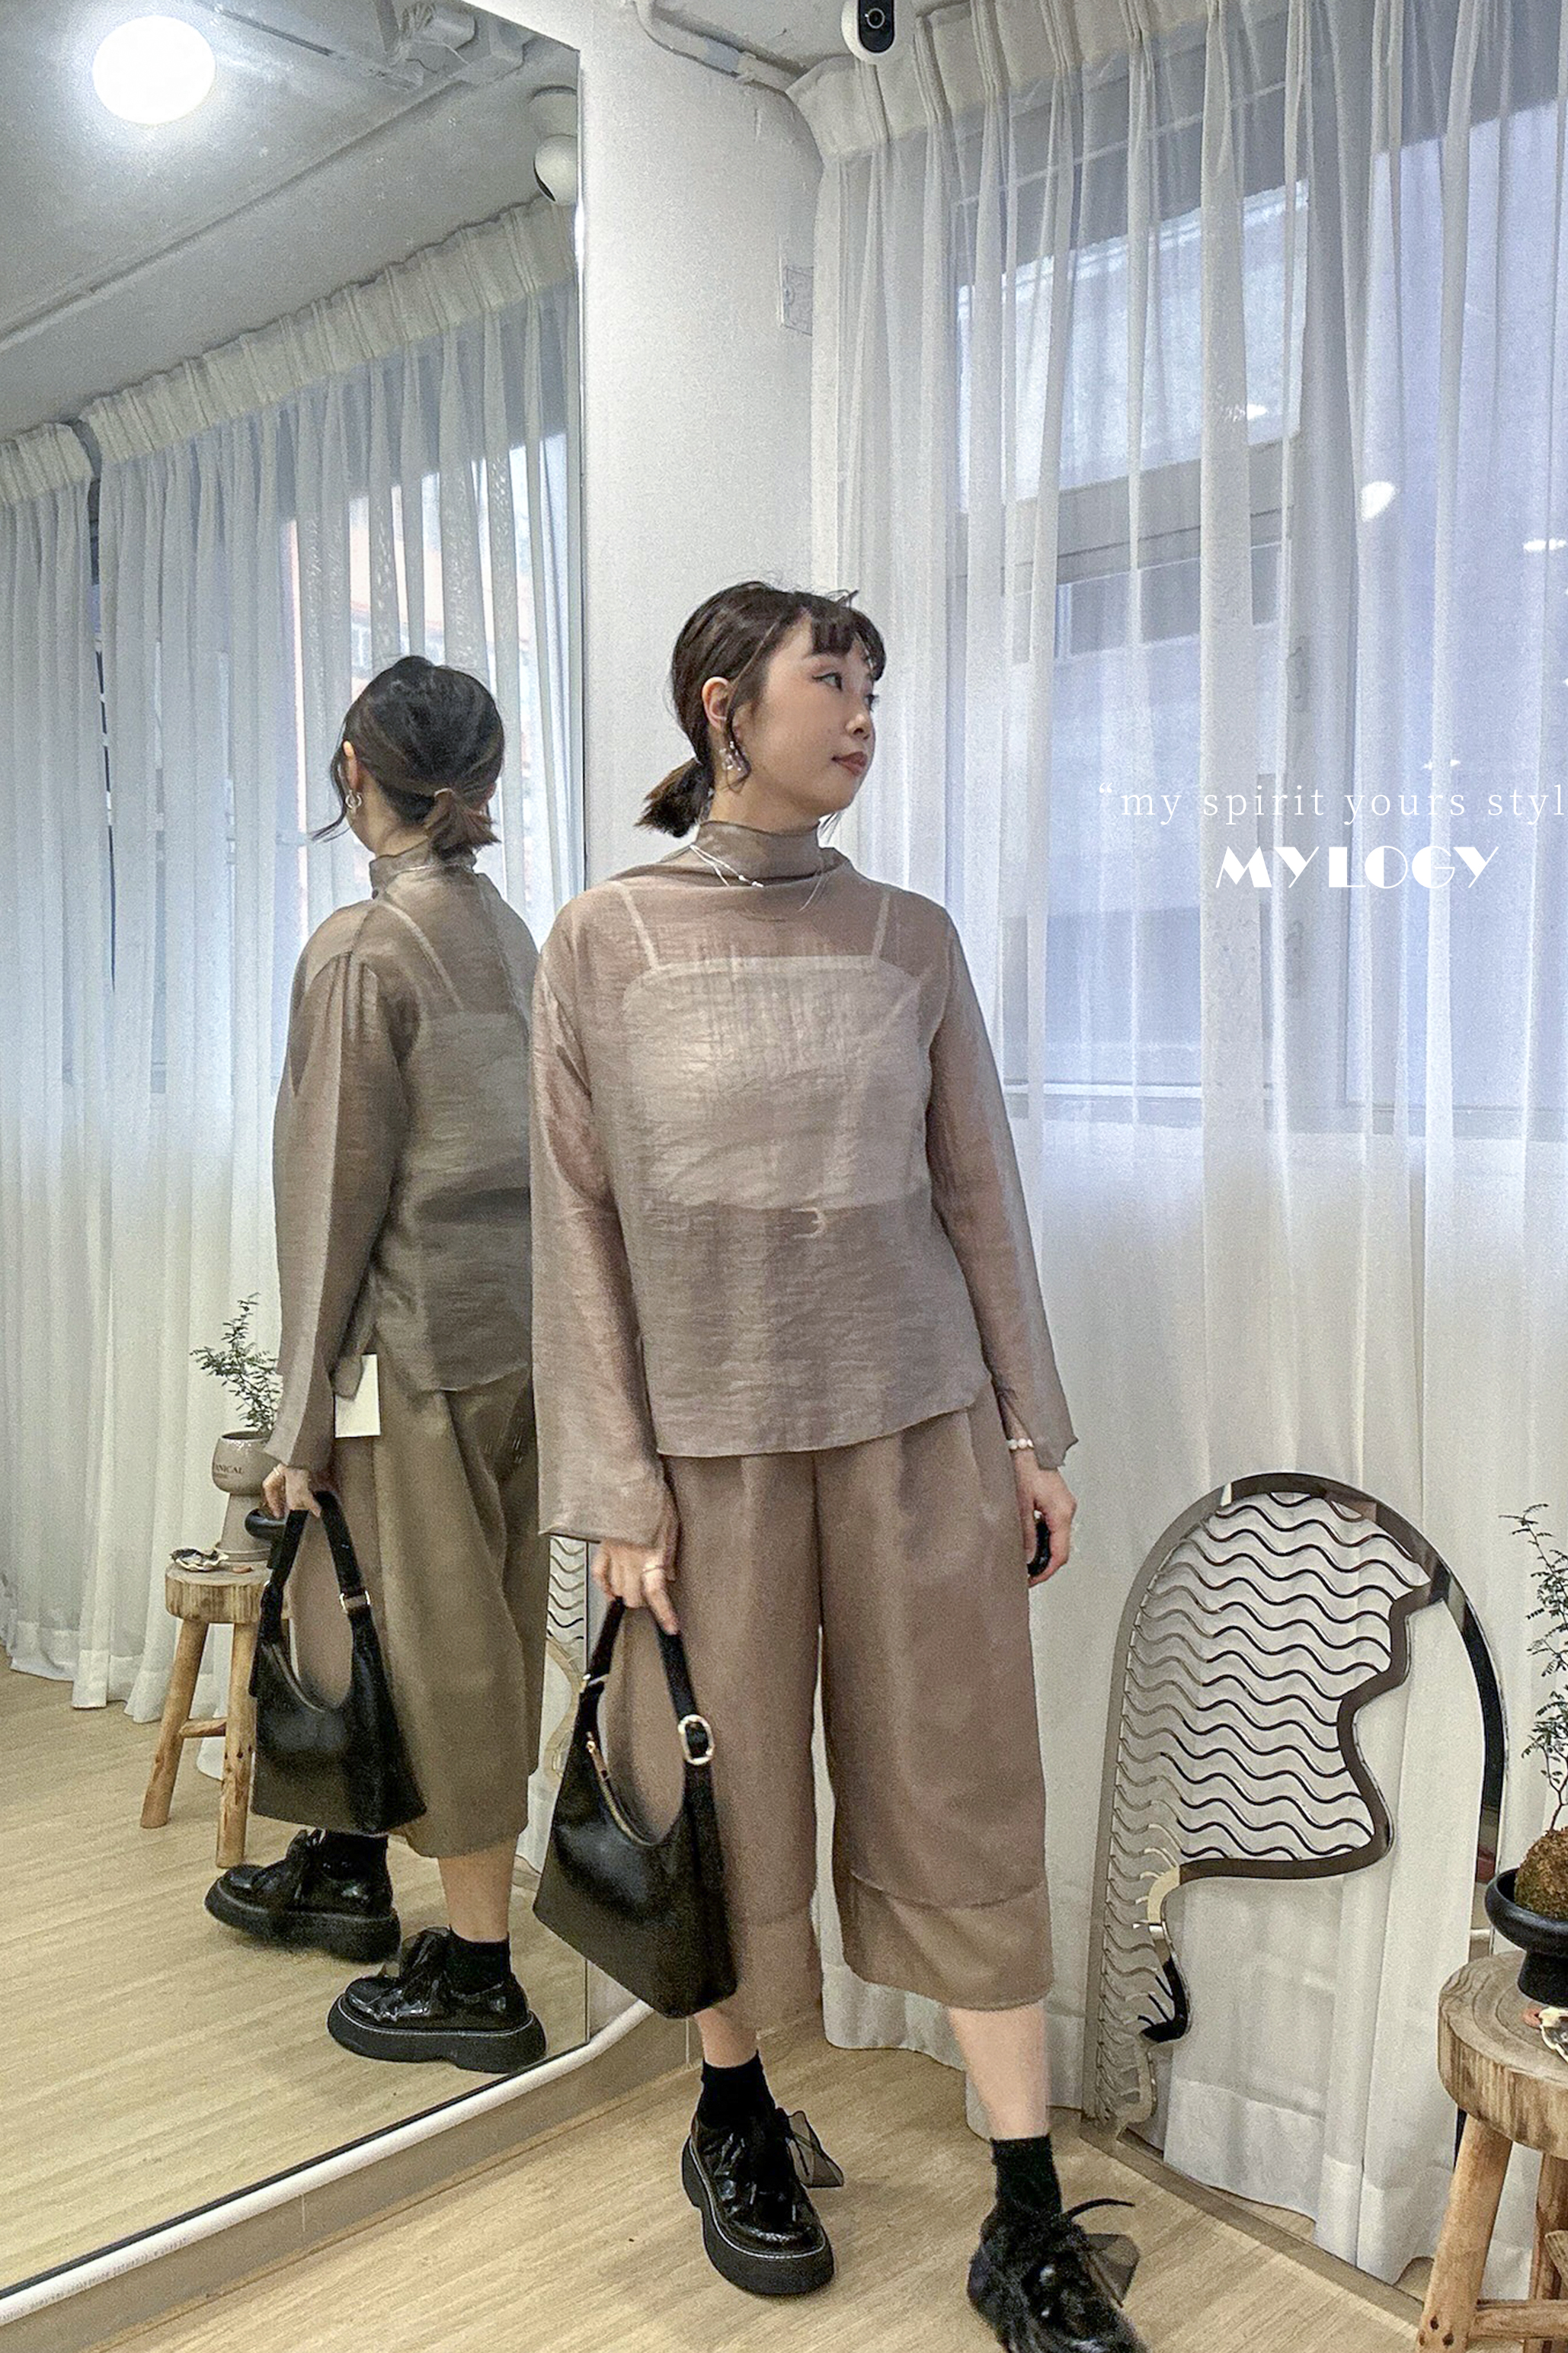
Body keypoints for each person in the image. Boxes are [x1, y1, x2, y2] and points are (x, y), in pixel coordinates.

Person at [530, 582, 1147, 2350]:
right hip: (701, 1453)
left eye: (876, 683)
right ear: (725, 707)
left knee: (965, 1784)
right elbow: (577, 1228)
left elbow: (979, 1193)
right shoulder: (604, 938)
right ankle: (733, 2109)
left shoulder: (910, 935)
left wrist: (1026, 1430)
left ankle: (1023, 2206)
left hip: (916, 1425)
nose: (864, 712)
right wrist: (617, 1485)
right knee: (716, 1794)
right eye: (832, 680)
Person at [205, 655, 552, 2076]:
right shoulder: (512, 932)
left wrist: (296, 1422)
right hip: (523, 1338)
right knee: (462, 1628)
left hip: (413, 1350)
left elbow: (332, 1195)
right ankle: (350, 1869)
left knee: (438, 1647)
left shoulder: (363, 949)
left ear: (356, 770)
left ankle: (479, 1971)